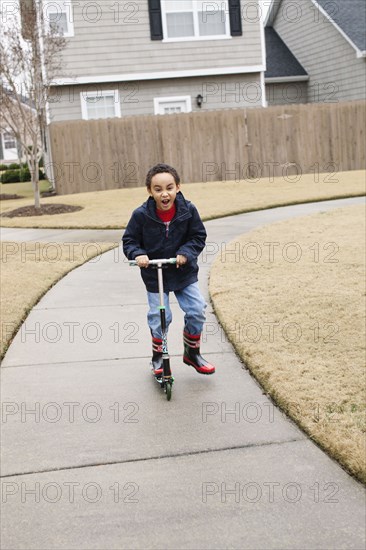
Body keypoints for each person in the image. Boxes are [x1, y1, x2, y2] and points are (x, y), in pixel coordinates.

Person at [122, 163, 215, 377]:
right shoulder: (141, 215)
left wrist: (185, 253)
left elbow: (198, 236)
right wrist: (138, 254)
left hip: (183, 271)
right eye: (158, 189)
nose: (165, 194)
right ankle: (158, 357)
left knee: (197, 309)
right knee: (160, 316)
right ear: (150, 191)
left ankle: (192, 352)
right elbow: (129, 240)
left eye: (169, 188)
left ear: (178, 187)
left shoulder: (188, 210)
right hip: (155, 274)